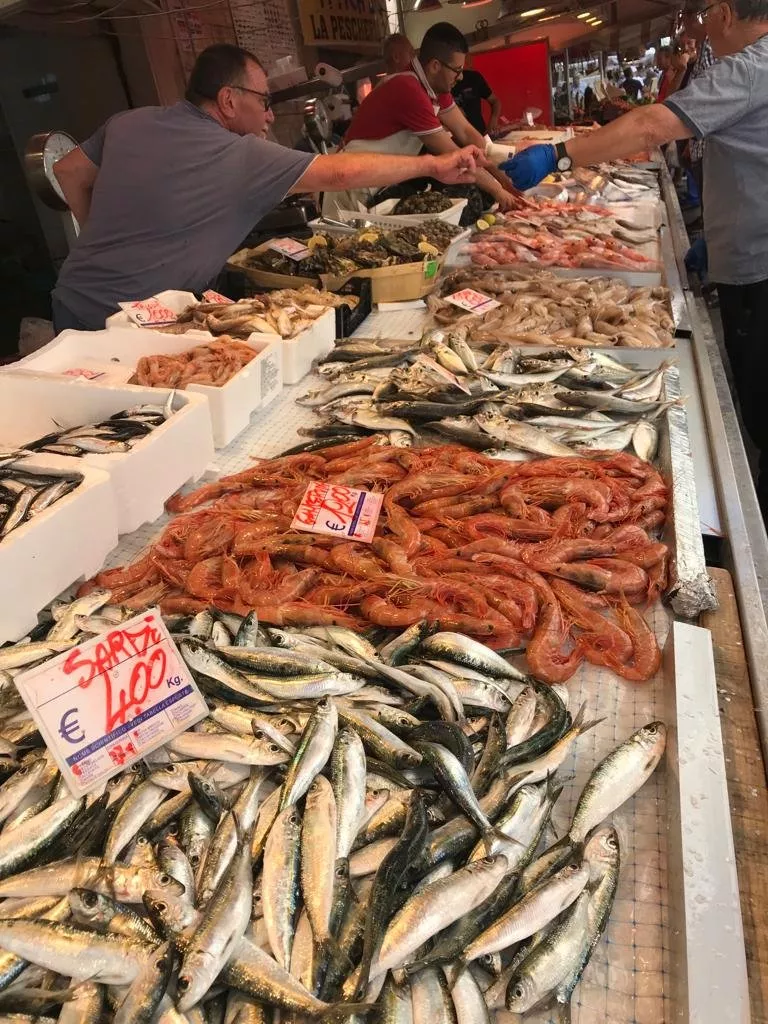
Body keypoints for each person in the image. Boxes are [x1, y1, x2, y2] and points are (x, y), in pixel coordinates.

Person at [501, 0, 768, 514]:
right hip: (748, 251)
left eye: (706, 12)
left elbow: (651, 125)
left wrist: (557, 155)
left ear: (728, 13)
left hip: (759, 270)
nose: (701, 27)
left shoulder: (750, 69)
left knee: (760, 405)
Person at [51, 44, 480, 332]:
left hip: (73, 299)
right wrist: (433, 163)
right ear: (228, 100)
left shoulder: (128, 121)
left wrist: (101, 239)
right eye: (264, 101)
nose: (269, 116)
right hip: (136, 321)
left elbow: (69, 171)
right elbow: (339, 174)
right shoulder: (238, 154)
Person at [322, 22, 518, 218]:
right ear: (435, 66)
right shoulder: (408, 89)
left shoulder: (435, 87)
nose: (460, 77)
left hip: (375, 182)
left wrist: (505, 182)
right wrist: (497, 190)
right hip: (348, 188)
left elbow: (467, 133)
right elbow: (454, 155)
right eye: (457, 70)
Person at [452, 60, 502, 136]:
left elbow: (495, 101)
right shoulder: (440, 88)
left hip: (480, 132)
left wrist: (494, 120)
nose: (459, 77)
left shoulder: (474, 77)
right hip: (457, 139)